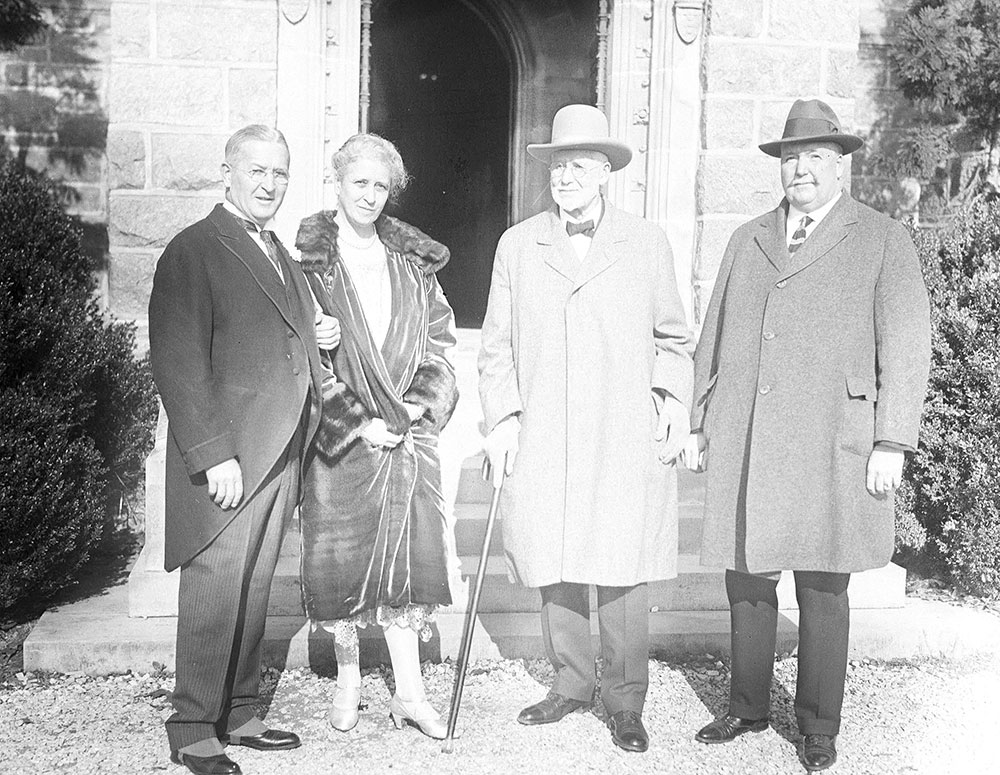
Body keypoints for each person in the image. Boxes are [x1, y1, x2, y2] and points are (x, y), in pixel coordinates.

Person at [681, 99, 931, 772]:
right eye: (793, 157)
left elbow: (906, 346)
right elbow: (713, 334)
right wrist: (698, 418)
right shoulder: (748, 237)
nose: (802, 169)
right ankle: (747, 702)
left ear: (841, 165)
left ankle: (818, 725)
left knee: (824, 586)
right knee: (748, 577)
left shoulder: (881, 237)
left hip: (832, 438)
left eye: (817, 156)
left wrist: (892, 440)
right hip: (751, 433)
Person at [478, 104, 694, 753]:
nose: (565, 176)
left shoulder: (646, 241)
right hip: (545, 425)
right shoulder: (518, 244)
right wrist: (503, 418)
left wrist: (674, 400)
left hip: (621, 425)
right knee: (557, 552)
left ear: (604, 172)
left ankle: (626, 699)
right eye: (557, 165)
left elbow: (675, 338)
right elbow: (494, 347)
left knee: (622, 559)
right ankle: (571, 682)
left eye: (579, 164)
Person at [149, 125, 338, 775]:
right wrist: (212, 453)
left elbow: (285, 333)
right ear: (224, 171)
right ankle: (193, 723)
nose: (269, 184)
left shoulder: (276, 249)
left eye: (280, 173)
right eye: (256, 170)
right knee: (216, 585)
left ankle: (238, 709)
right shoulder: (195, 249)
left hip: (278, 449)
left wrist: (322, 334)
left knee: (255, 585)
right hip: (229, 457)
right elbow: (177, 359)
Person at [295, 133, 458, 740]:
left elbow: (441, 340)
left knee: (406, 565)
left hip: (407, 437)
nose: (369, 195)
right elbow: (301, 361)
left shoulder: (414, 264)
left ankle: (410, 693)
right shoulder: (308, 265)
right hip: (342, 441)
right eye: (358, 182)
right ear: (337, 183)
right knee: (346, 566)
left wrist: (415, 410)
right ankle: (349, 683)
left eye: (380, 186)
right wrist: (359, 423)